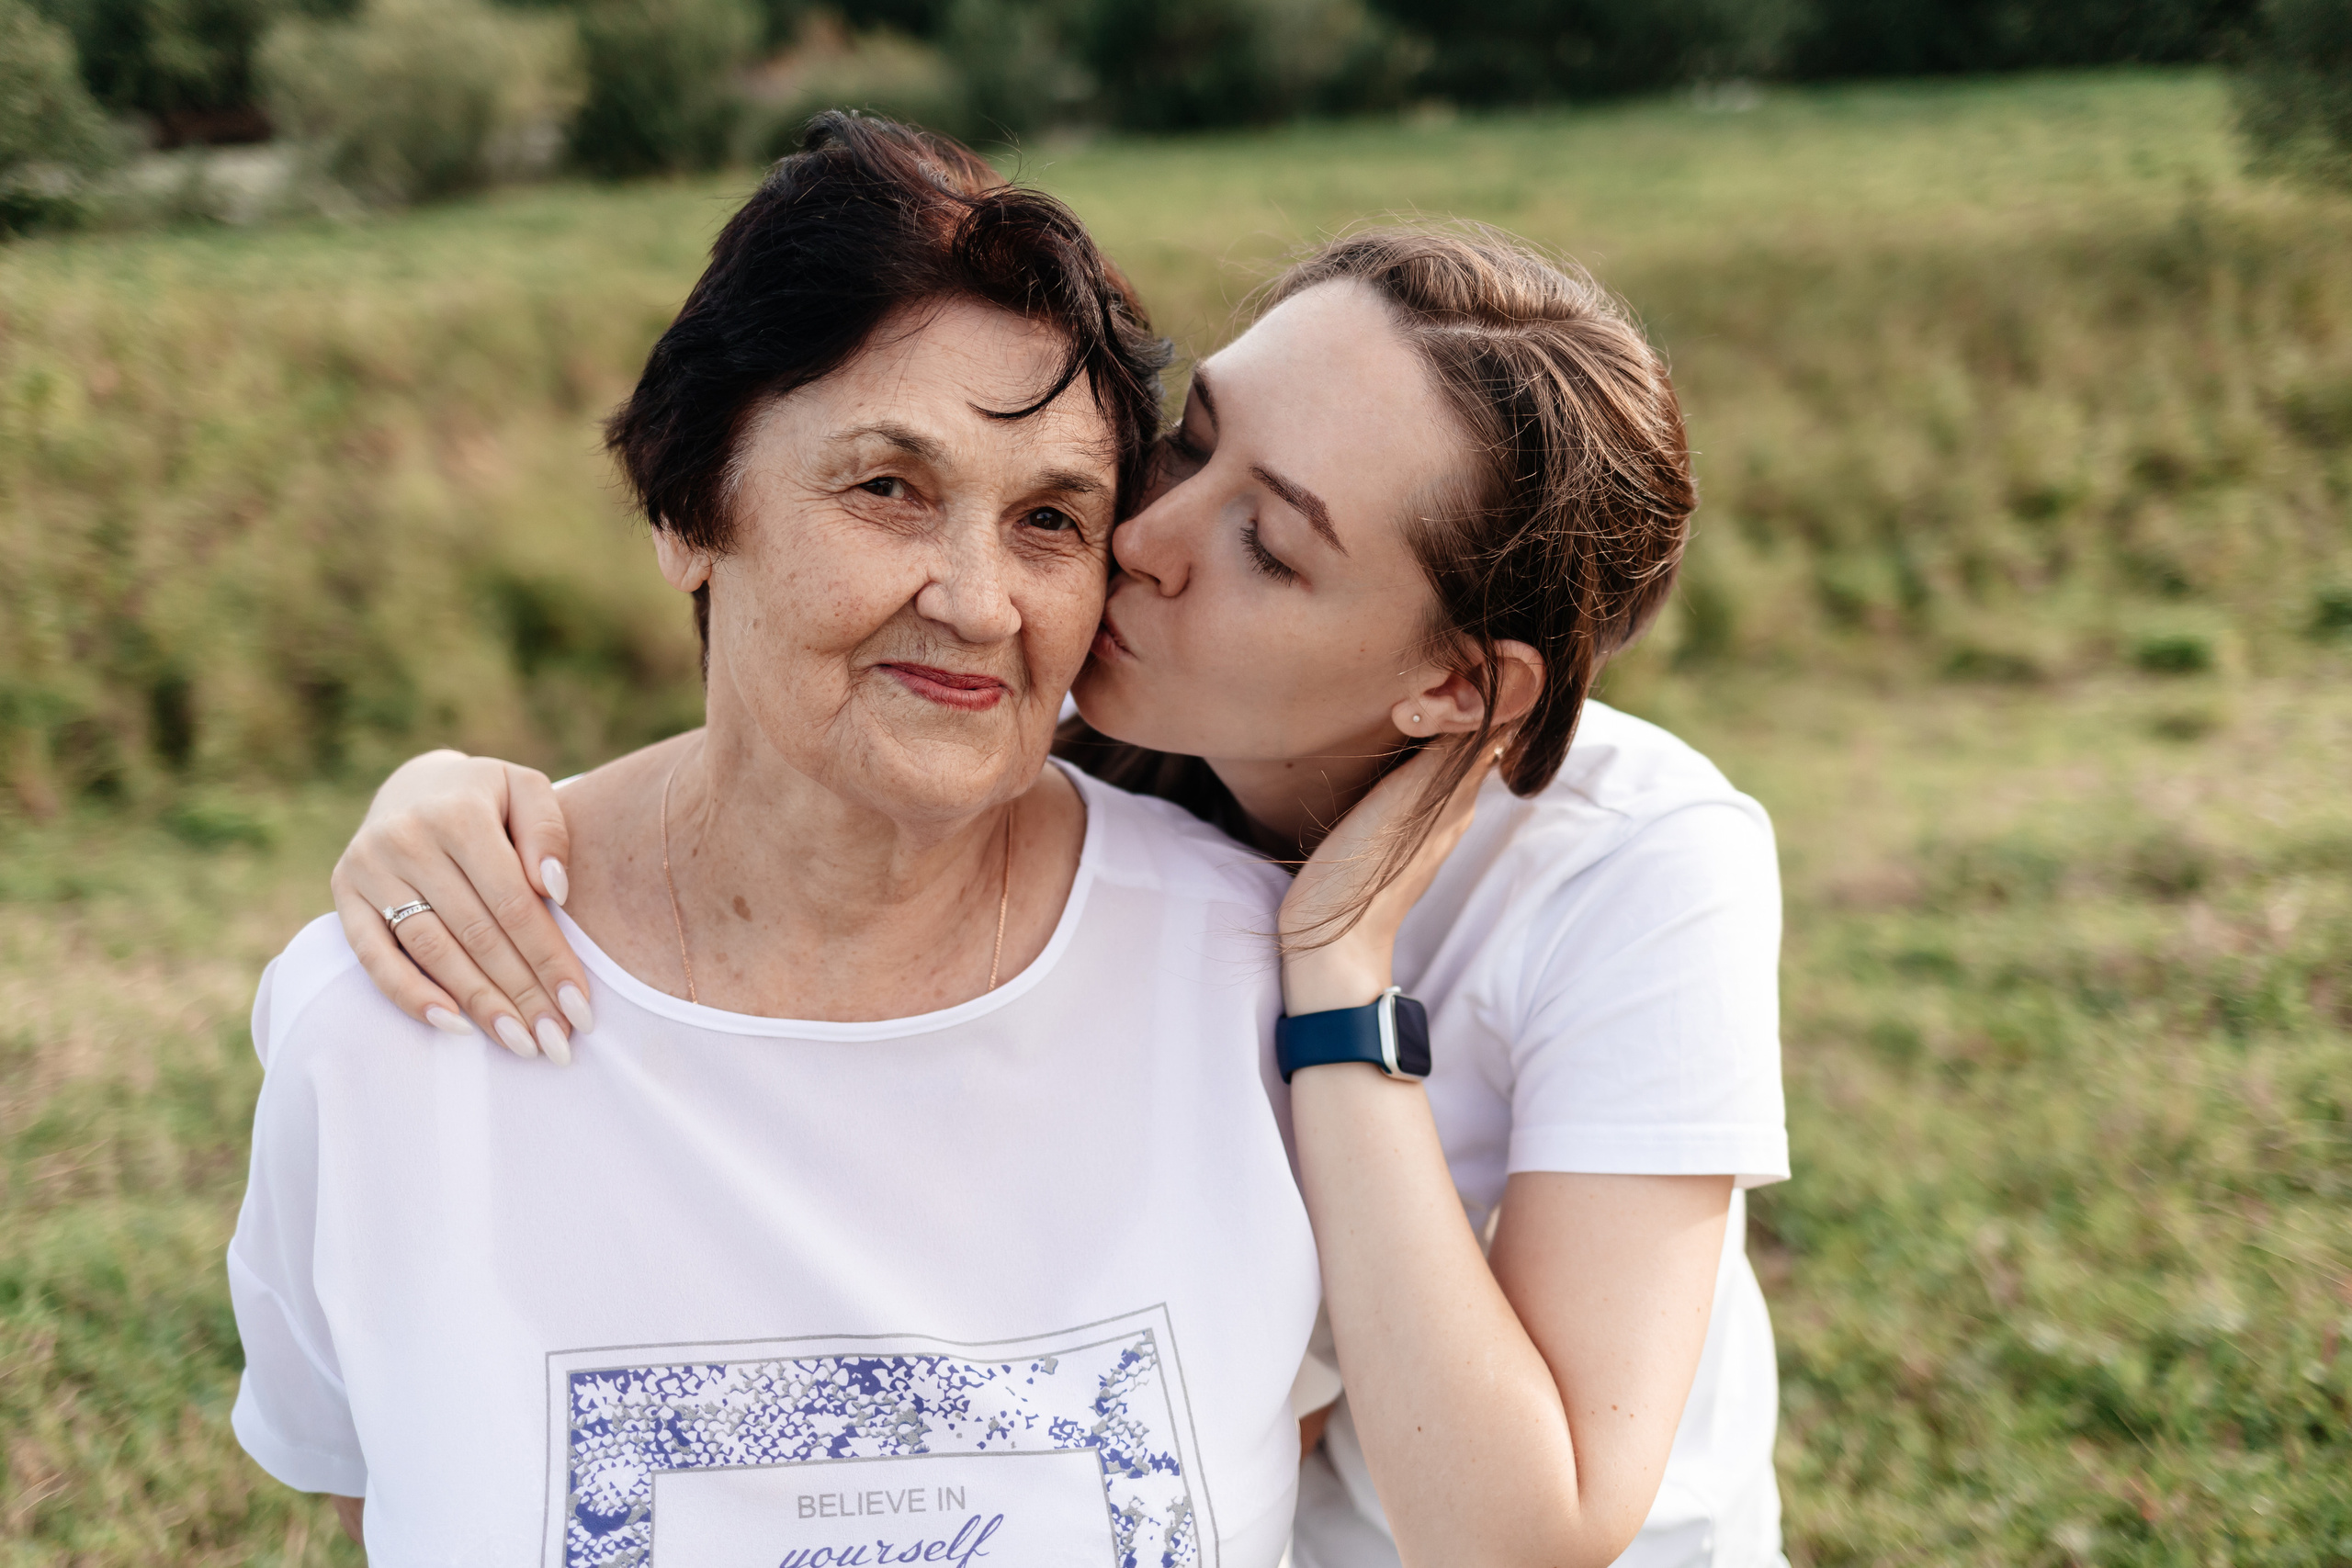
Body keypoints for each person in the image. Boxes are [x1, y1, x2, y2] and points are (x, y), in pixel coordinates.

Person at [330, 220, 1790, 1562]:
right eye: (1186, 448)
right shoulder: (1097, 761)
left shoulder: (1636, 867)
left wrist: (1338, 972)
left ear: (1455, 682)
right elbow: (779, 751)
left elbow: (1523, 1537)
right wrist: (463, 796)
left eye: (1266, 547)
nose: (1139, 544)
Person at [226, 115, 1325, 1565]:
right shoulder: (391, 1028)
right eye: (888, 488)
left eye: (1052, 520)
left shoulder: (1260, 981)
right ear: (691, 507)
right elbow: (383, 1499)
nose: (981, 601)